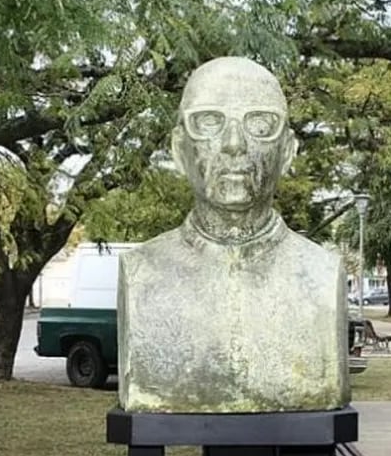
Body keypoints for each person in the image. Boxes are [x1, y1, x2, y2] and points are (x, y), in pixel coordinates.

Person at [117, 56, 348, 413]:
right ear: (179, 151)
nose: (234, 143)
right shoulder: (142, 272)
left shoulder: (321, 273)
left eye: (260, 123)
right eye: (209, 121)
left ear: (287, 152)